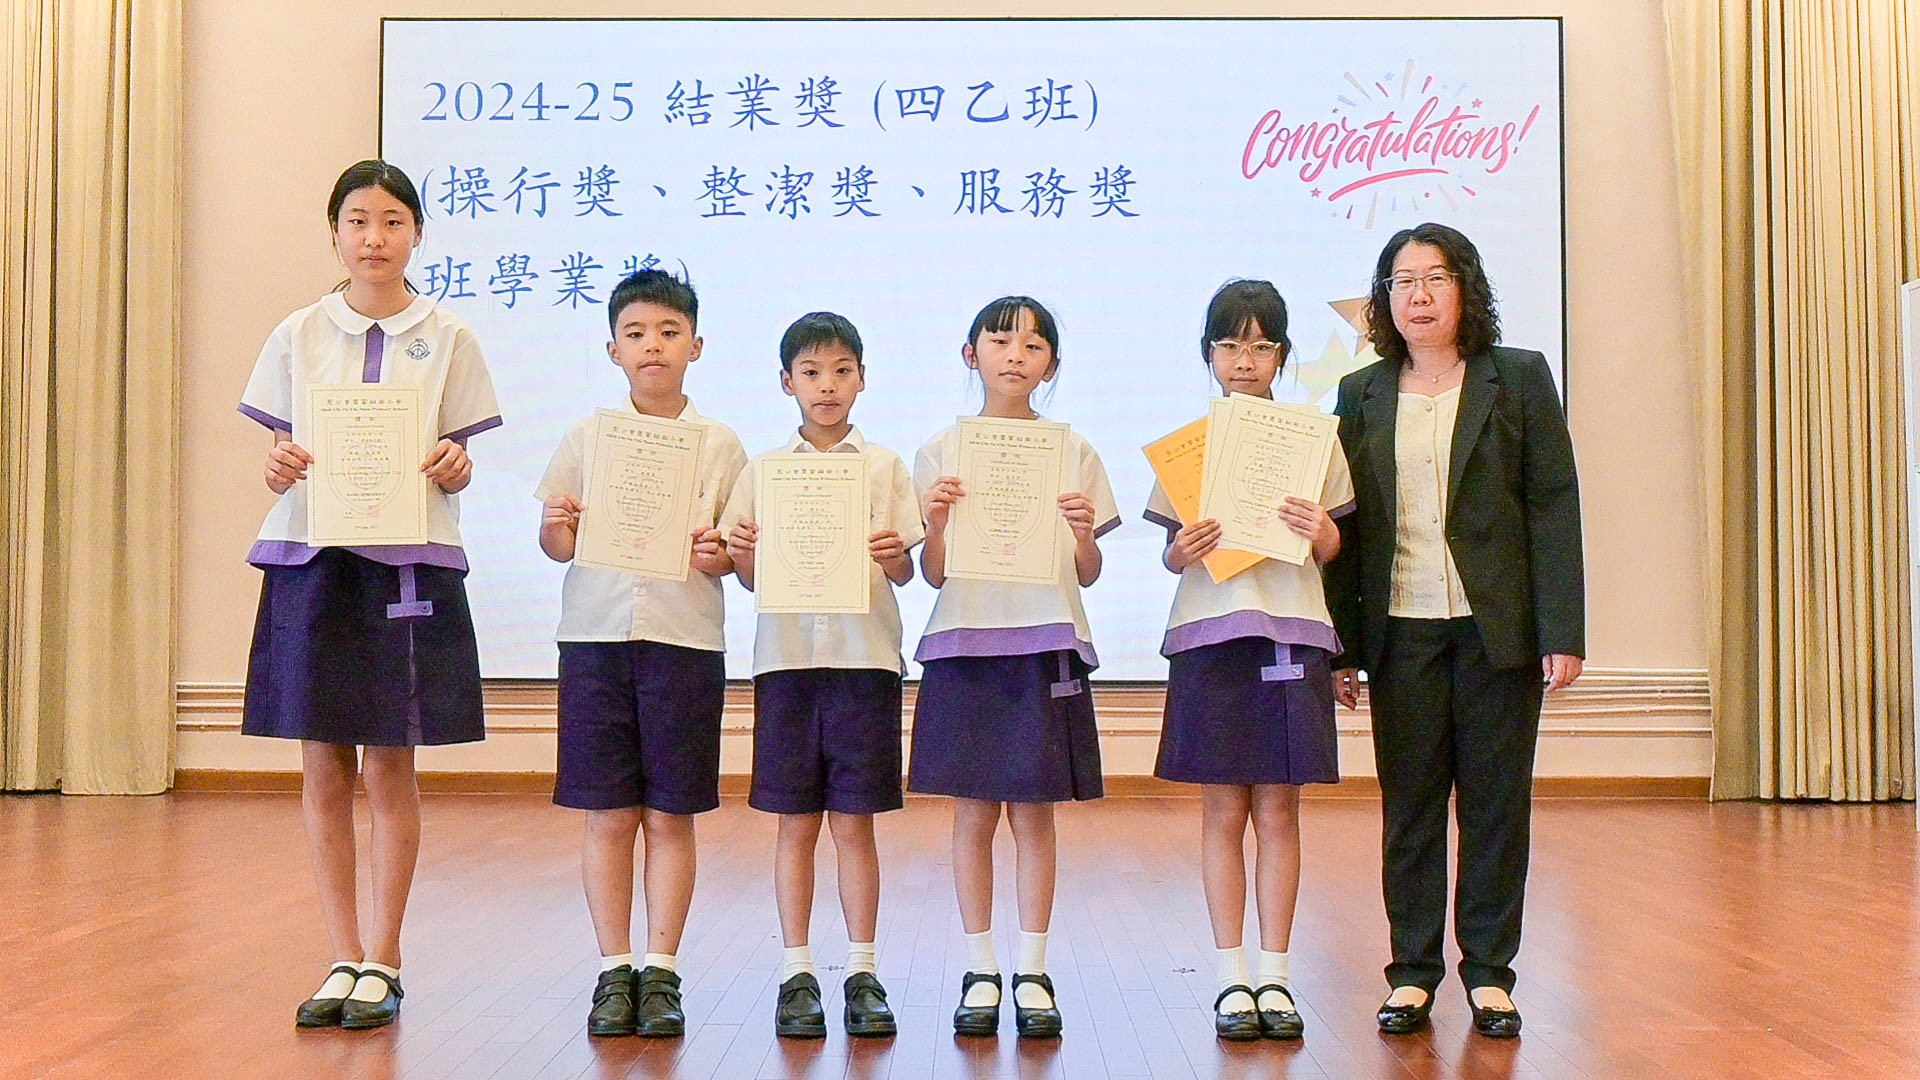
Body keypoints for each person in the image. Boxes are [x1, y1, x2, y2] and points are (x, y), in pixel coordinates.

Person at [239, 159, 503, 1030]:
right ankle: (341, 953)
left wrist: (457, 464)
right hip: (314, 562)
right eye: (357, 221)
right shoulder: (297, 333)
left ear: (417, 233)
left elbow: (458, 455)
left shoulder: (449, 335)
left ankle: (385, 959)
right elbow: (279, 455)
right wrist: (277, 464)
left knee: (391, 761)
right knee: (322, 761)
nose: (374, 238)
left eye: (392, 221)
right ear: (335, 233)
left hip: (407, 563)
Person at [1325, 223, 1584, 1039]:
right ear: (1384, 300)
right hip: (1402, 628)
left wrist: (1562, 628)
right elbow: (1347, 527)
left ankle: (1491, 974)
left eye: (1435, 278)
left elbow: (1553, 504)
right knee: (1410, 808)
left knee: (1496, 806)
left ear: (1466, 289)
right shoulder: (1361, 392)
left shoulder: (1519, 377)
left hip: (1494, 629)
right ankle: (1411, 973)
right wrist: (1343, 647)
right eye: (1402, 282)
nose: (1420, 296)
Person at [535, 269, 747, 1038]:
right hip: (595, 640)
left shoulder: (722, 445)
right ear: (613, 350)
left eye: (667, 332)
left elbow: (735, 555)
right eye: (635, 334)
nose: (652, 345)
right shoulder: (586, 437)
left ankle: (662, 970)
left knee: (671, 813)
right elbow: (558, 545)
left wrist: (721, 552)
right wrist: (558, 524)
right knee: (607, 814)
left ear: (696, 345)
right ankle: (613, 968)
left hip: (684, 642)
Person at [1146, 280, 1352, 1041]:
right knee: (1223, 810)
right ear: (1209, 353)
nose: (1245, 360)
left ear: (1283, 356)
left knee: (1279, 809)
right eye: (1230, 344)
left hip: (1293, 631)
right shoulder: (1189, 447)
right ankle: (1231, 976)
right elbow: (1172, 557)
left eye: (1262, 346)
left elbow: (1334, 547)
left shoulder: (1315, 440)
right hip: (1210, 635)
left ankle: (1278, 976)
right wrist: (1182, 549)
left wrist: (1322, 531)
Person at [911, 296, 1119, 1039]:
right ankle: (980, 966)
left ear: (1051, 365)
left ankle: (1032, 967)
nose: (1015, 356)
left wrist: (1083, 534)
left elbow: (1087, 572)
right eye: (1000, 341)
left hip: (1044, 644)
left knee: (1034, 814)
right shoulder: (941, 450)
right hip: (966, 642)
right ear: (971, 354)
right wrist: (937, 523)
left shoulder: (1074, 451)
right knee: (972, 815)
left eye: (1033, 346)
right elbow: (934, 573)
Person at [720, 312, 922, 1039]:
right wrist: (745, 551)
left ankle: (863, 970)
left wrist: (893, 554)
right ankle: (796, 971)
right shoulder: (762, 472)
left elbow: (906, 571)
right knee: (795, 825)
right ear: (787, 383)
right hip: (787, 664)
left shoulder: (886, 467)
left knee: (856, 824)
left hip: (865, 662)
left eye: (841, 370)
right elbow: (748, 577)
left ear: (862, 378)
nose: (827, 385)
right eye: (811, 372)